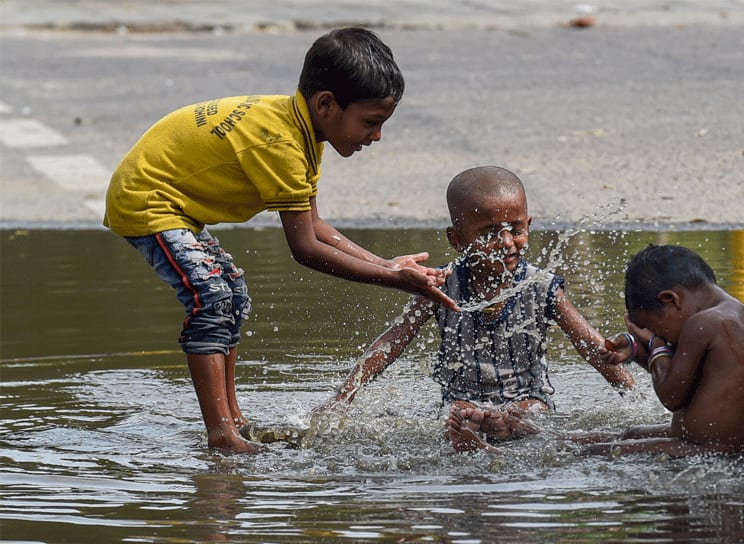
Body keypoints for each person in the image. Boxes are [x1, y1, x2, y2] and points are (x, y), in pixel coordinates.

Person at [103, 27, 457, 455]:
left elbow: (317, 225)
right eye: (371, 123)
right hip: (147, 202)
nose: (376, 137)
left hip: (175, 206)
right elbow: (305, 248)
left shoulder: (303, 128)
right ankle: (222, 436)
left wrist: (388, 264)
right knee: (211, 297)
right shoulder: (282, 142)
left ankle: (234, 422)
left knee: (231, 291)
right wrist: (394, 280)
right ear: (326, 103)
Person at [314, 166, 635, 452]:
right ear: (457, 240)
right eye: (490, 233)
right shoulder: (438, 286)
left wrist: (636, 398)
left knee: (530, 417)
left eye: (517, 229)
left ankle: (497, 433)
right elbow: (391, 343)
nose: (507, 242)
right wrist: (343, 398)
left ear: (529, 225)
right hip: (462, 399)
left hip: (528, 400)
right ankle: (471, 439)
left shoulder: (542, 286)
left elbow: (591, 347)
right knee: (456, 417)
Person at [566, 244, 744, 457]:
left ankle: (553, 444)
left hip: (710, 452)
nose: (660, 336)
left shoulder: (702, 324)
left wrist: (656, 345)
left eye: (657, 329)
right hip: (732, 447)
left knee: (595, 453)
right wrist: (636, 351)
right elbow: (683, 377)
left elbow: (672, 396)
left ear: (671, 300)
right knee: (630, 434)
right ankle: (553, 437)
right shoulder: (735, 314)